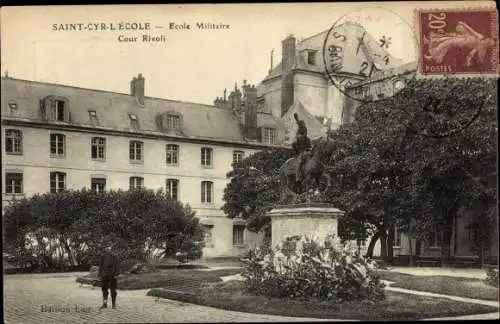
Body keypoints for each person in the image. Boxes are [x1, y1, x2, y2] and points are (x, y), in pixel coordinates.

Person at [423, 21, 495, 67]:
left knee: (448, 42)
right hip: (464, 37)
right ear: (488, 38)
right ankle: (435, 56)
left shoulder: (481, 46)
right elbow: (472, 31)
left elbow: (473, 52)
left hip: (464, 42)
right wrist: (464, 24)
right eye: (489, 40)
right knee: (447, 40)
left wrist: (469, 60)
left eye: (489, 43)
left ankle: (433, 55)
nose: (488, 41)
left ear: (488, 45)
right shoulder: (481, 37)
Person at [98, 241, 120, 309]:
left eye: (109, 247)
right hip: (104, 275)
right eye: (106, 247)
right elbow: (101, 265)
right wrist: (100, 274)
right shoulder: (103, 256)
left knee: (113, 290)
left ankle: (113, 304)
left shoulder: (115, 256)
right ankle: (105, 303)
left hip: (112, 275)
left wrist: (116, 274)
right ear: (105, 248)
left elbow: (117, 266)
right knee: (104, 289)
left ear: (111, 248)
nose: (107, 248)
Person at [292, 113, 312, 185]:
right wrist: (297, 152)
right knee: (299, 163)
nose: (304, 131)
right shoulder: (298, 139)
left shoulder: (308, 139)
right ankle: (297, 178)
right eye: (303, 130)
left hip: (306, 153)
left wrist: (309, 150)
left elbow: (310, 147)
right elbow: (294, 146)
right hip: (300, 154)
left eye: (305, 130)